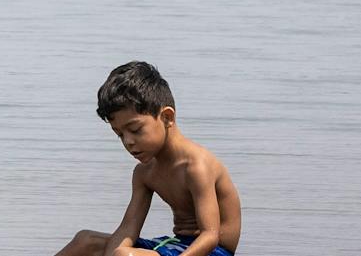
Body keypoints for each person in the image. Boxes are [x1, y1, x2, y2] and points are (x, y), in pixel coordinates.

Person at [55, 61, 242, 256]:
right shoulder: (144, 172)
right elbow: (128, 229)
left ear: (167, 117)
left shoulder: (196, 166)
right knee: (85, 241)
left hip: (212, 250)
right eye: (119, 134)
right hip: (173, 244)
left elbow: (210, 236)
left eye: (135, 130)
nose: (128, 142)